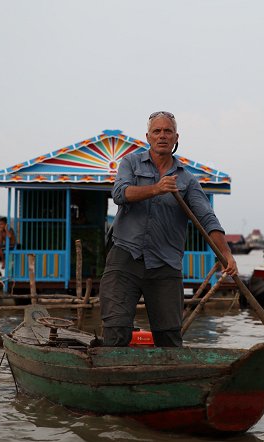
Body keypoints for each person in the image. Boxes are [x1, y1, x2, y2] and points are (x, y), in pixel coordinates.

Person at [100, 111, 238, 348]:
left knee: (169, 336)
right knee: (116, 329)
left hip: (165, 263)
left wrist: (225, 254)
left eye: (167, 131)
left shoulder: (186, 179)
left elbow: (207, 219)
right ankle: (109, 380)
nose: (162, 136)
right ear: (148, 137)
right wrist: (156, 188)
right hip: (125, 256)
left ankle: (169, 380)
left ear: (176, 138)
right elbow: (120, 194)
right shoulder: (131, 163)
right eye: (157, 131)